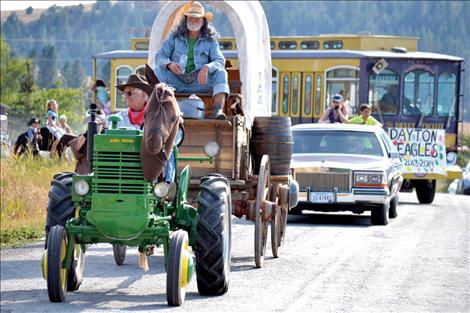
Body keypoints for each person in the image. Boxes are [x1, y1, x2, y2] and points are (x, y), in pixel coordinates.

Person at [154, 0, 229, 120]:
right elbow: (159, 57)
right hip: (177, 81)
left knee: (221, 73)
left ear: (203, 21)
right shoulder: (174, 37)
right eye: (191, 18)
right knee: (158, 70)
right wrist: (170, 65)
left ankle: (218, 110)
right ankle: (159, 108)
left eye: (197, 18)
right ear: (186, 20)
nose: (194, 21)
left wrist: (207, 67)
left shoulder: (210, 40)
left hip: (199, 82)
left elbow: (220, 61)